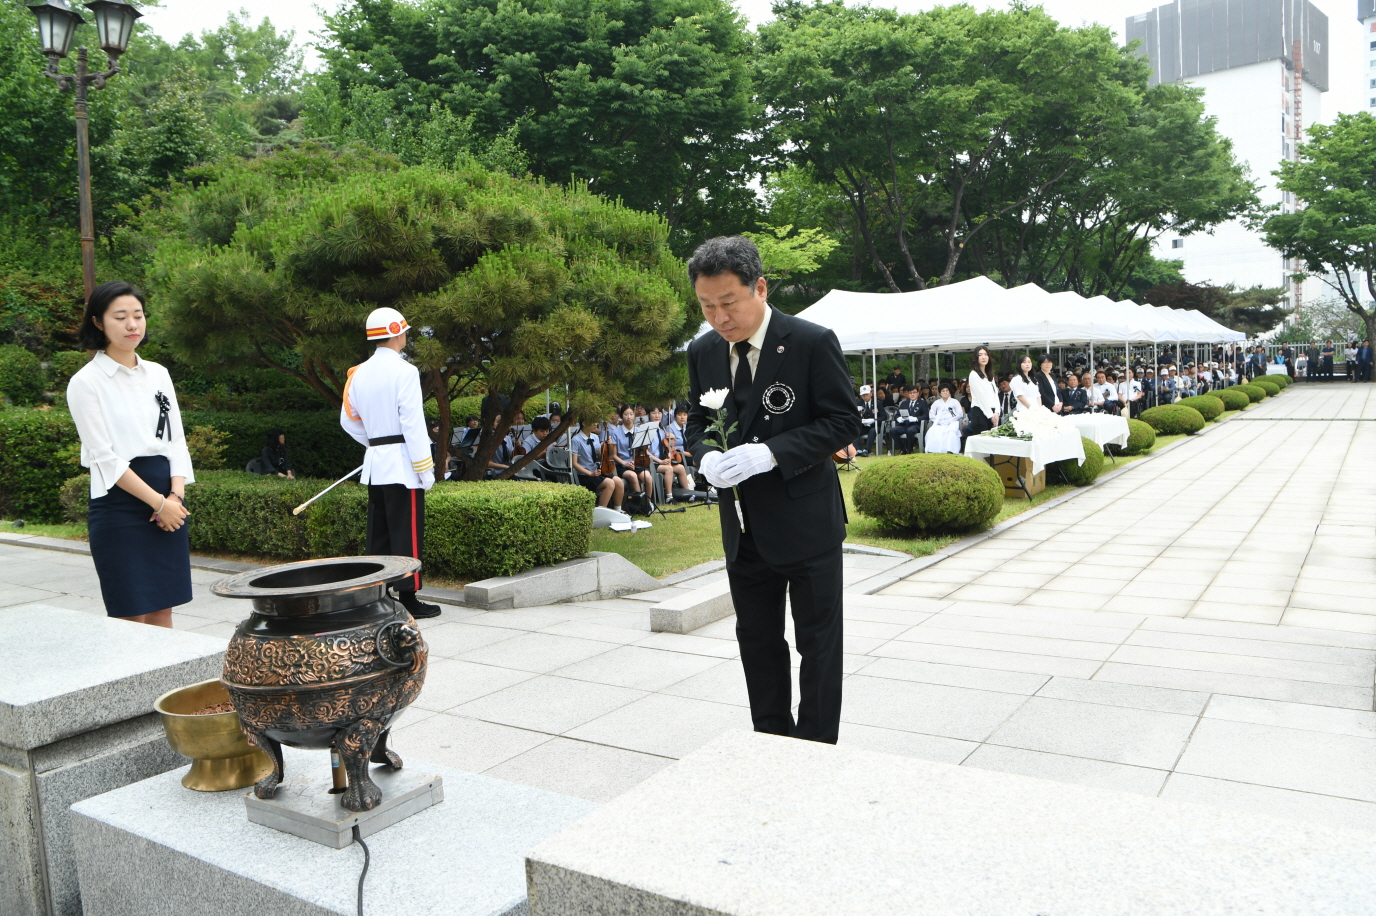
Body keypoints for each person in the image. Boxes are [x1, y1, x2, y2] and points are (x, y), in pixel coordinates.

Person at [685, 235, 861, 745]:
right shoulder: (703, 352)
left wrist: (773, 453)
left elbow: (843, 421)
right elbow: (696, 420)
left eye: (728, 302)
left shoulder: (809, 341)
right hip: (743, 529)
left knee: (818, 646)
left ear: (759, 288)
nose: (718, 317)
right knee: (757, 643)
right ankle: (770, 742)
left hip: (807, 525)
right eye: (706, 306)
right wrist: (705, 456)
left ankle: (816, 748)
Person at [66, 281, 193, 627]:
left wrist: (175, 498)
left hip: (169, 501)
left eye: (137, 315)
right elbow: (105, 457)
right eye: (120, 317)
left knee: (163, 608)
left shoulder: (158, 374)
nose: (132, 325)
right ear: (98, 322)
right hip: (119, 505)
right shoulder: (86, 382)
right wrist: (158, 503)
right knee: (130, 614)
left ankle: (169, 683)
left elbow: (176, 441)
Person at [340, 307, 441, 619]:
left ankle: (378, 596)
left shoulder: (358, 373)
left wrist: (375, 444)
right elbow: (413, 424)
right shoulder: (405, 372)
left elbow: (348, 421)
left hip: (376, 464)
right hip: (402, 465)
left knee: (380, 534)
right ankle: (408, 599)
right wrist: (426, 469)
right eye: (405, 330)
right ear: (397, 332)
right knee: (406, 533)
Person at [570, 424, 624, 509]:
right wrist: (590, 473)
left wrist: (606, 447)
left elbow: (600, 457)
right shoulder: (576, 440)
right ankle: (601, 513)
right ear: (584, 423)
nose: (596, 424)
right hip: (584, 476)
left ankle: (618, 511)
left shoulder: (595, 437)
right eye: (593, 422)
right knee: (609, 483)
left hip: (596, 472)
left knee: (619, 482)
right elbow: (574, 463)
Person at [967, 346, 1000, 436]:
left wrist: (997, 412)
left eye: (986, 354)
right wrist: (990, 416)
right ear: (976, 358)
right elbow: (980, 397)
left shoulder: (990, 375)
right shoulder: (973, 374)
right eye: (980, 355)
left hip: (993, 413)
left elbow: (995, 394)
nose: (983, 357)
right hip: (980, 413)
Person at [925, 383, 964, 454]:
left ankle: (950, 450)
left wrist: (951, 420)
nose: (945, 392)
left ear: (949, 392)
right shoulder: (936, 403)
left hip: (952, 422)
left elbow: (960, 414)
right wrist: (938, 421)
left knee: (951, 432)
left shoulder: (955, 402)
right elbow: (931, 414)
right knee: (932, 431)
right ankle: (933, 450)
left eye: (947, 390)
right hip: (939, 423)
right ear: (940, 393)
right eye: (943, 391)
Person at [886, 385, 926, 454]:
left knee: (910, 430)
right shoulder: (904, 403)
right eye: (910, 393)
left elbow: (926, 415)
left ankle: (910, 450)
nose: (912, 394)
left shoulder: (922, 403)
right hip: (904, 424)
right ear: (908, 394)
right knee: (893, 430)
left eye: (914, 392)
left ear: (918, 393)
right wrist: (898, 418)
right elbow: (897, 414)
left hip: (915, 425)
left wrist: (916, 419)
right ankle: (902, 449)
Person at [853, 385, 877, 455]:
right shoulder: (858, 403)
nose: (865, 396)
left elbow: (883, 416)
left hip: (874, 425)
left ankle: (867, 450)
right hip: (863, 425)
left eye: (866, 394)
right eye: (863, 395)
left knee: (873, 431)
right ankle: (858, 450)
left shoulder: (876, 403)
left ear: (871, 394)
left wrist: (874, 420)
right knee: (856, 430)